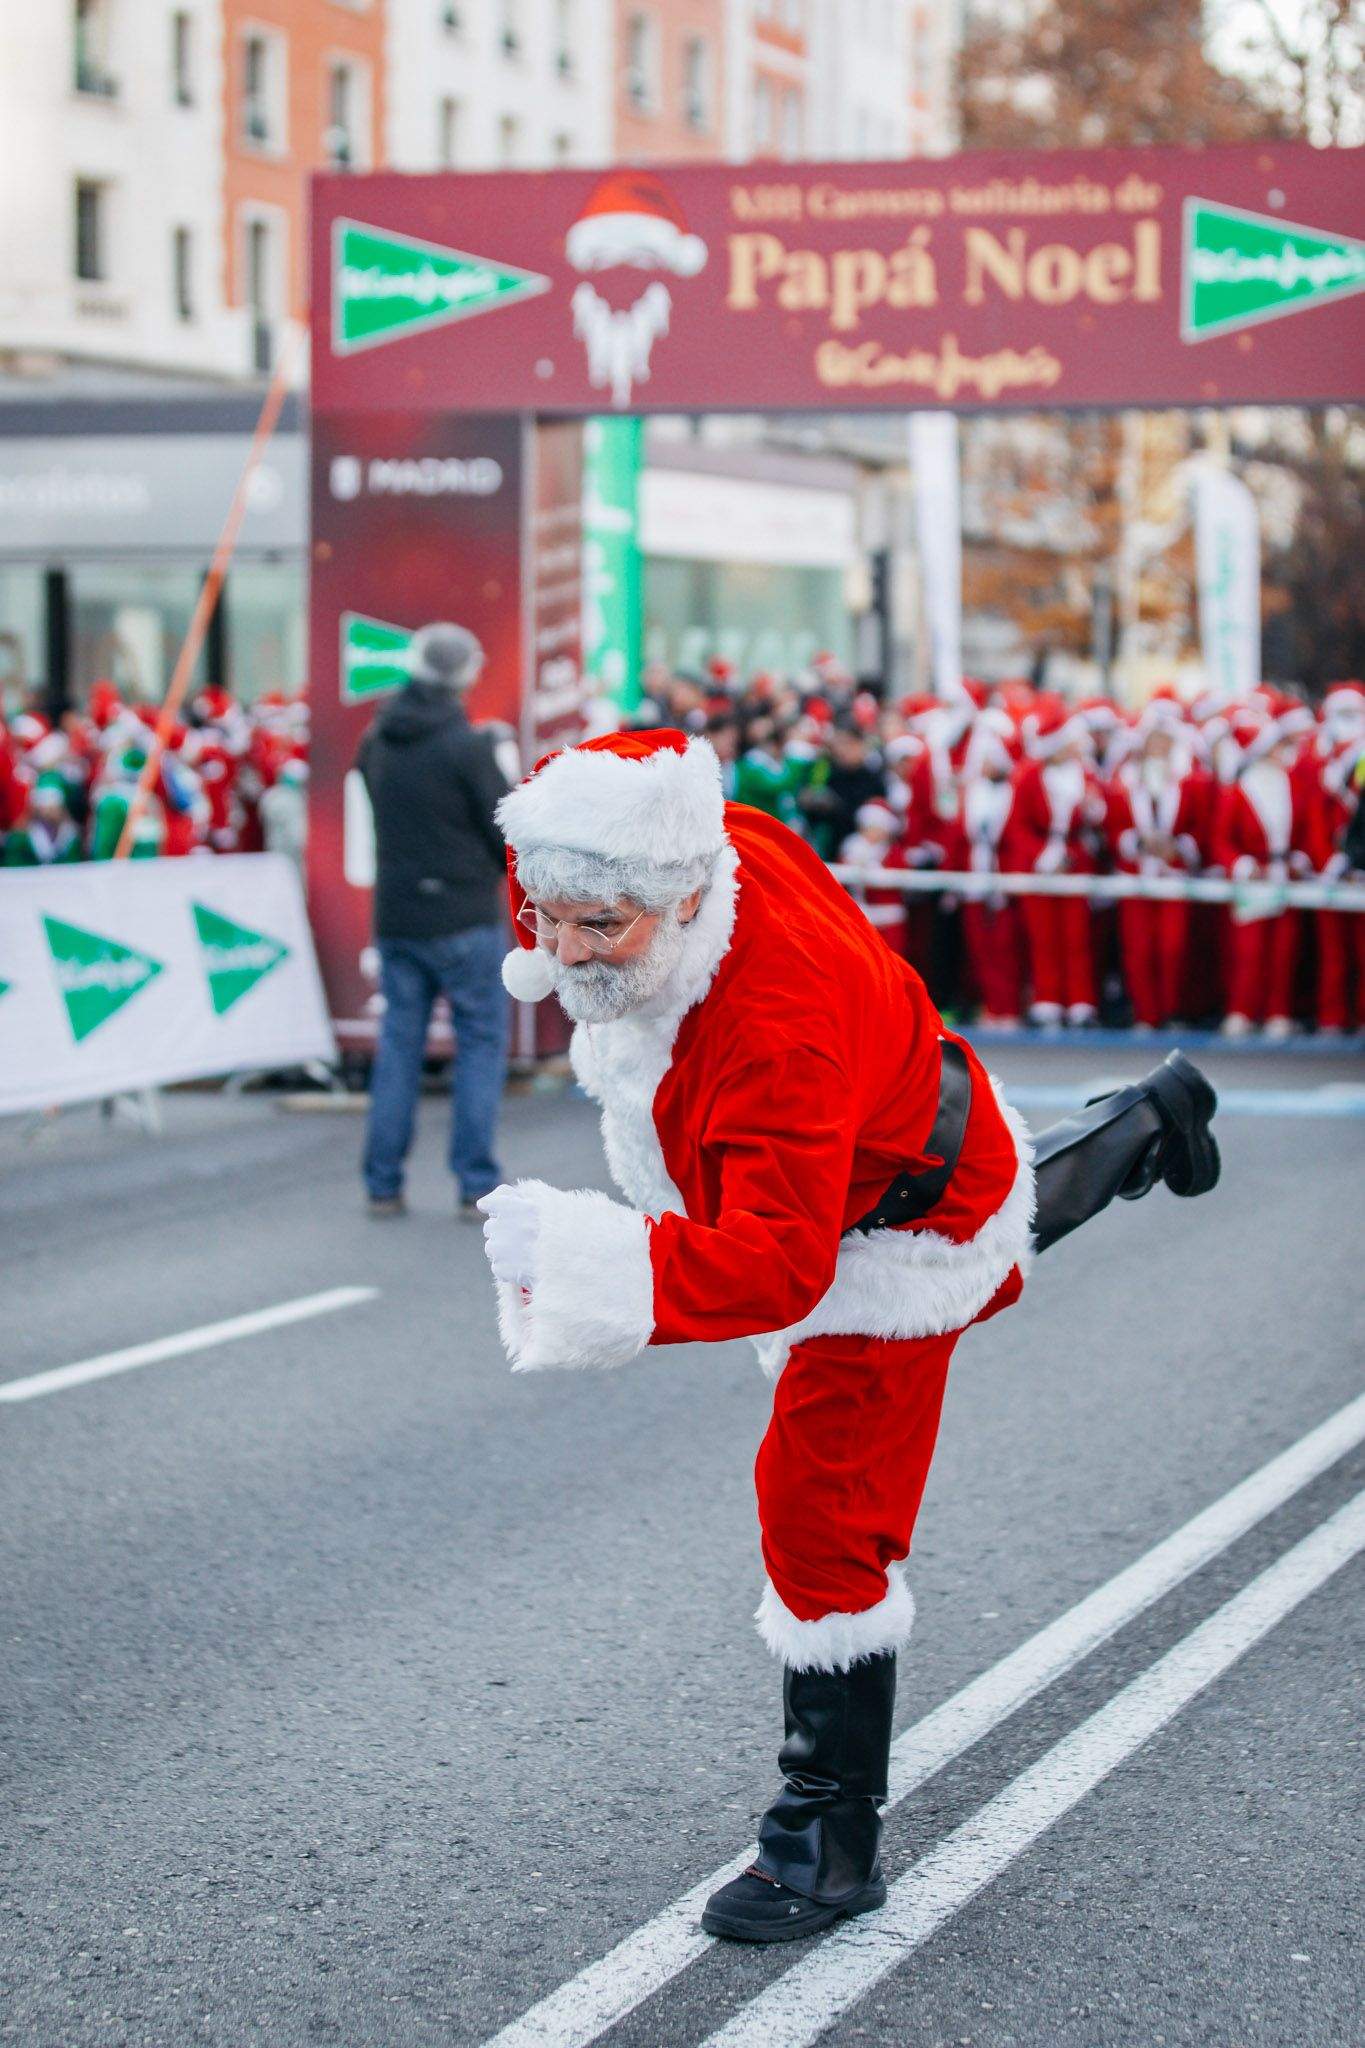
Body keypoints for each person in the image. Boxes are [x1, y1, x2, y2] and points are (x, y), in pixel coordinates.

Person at [476, 728, 1219, 1946]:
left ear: (691, 895)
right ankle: (1147, 1118)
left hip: (891, 1231)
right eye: (542, 912)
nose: (558, 951)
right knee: (1000, 1201)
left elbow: (780, 1265)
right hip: (890, 1120)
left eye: (596, 926)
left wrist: (584, 1260)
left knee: (821, 1512)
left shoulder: (776, 1027)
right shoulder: (711, 837)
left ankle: (827, 1838)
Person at [357, 622, 511, 1219]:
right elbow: (504, 829)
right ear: (465, 675)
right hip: (464, 913)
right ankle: (475, 1182)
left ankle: (382, 1183)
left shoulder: (377, 739)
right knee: (479, 1042)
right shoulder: (468, 747)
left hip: (398, 914)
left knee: (399, 1045)